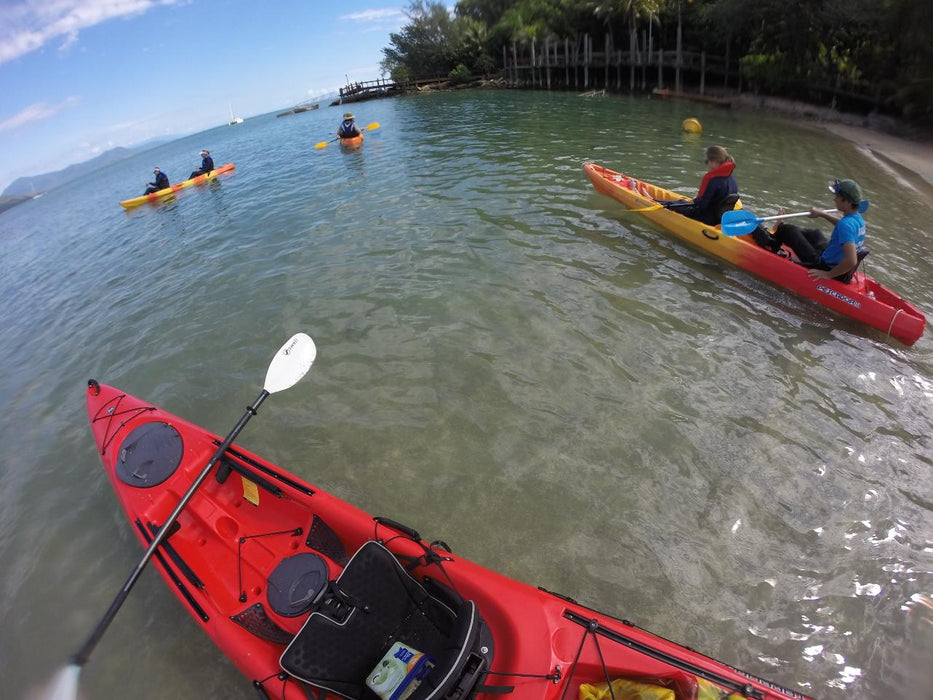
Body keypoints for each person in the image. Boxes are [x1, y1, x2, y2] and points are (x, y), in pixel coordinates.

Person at [766, 178, 866, 281]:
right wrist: (822, 214)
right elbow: (843, 226)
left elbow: (851, 261)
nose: (834, 199)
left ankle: (770, 246)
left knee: (788, 230)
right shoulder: (858, 219)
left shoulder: (846, 225)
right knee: (816, 233)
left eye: (837, 196)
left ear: (847, 202)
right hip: (832, 259)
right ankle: (778, 233)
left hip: (825, 266)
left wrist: (828, 275)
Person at [676, 145, 739, 225]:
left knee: (677, 205)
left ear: (714, 161)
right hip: (719, 220)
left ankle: (656, 202)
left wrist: (695, 200)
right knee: (681, 202)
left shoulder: (714, 181)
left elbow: (702, 206)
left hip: (706, 219)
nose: (707, 164)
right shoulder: (732, 179)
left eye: (707, 161)